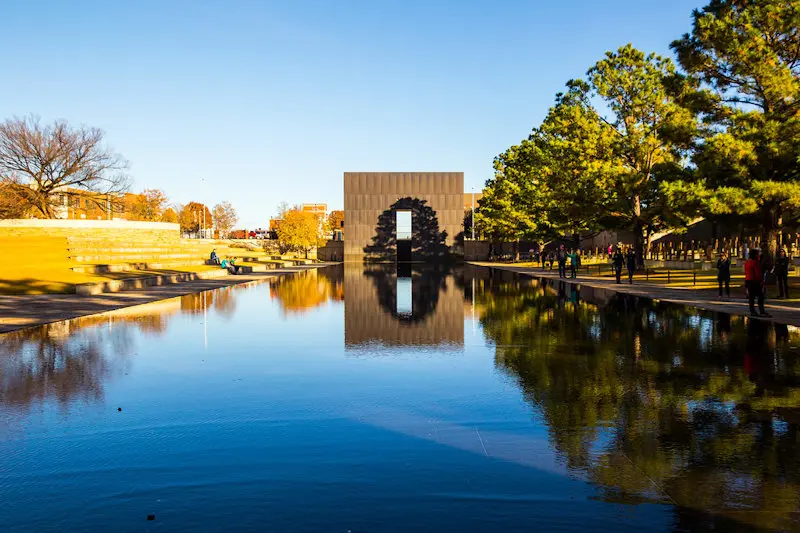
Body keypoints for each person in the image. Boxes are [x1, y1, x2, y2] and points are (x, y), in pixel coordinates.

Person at [744, 249, 769, 317]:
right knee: (760, 296)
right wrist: (762, 281)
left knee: (751, 297)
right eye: (758, 254)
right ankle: (762, 311)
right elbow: (758, 274)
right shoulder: (756, 263)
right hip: (755, 281)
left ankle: (752, 311)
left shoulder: (747, 262)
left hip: (748, 281)